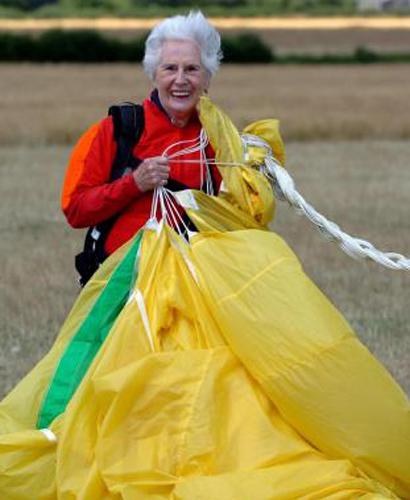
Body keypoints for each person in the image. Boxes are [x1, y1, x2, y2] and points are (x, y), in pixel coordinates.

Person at [0, 11, 409, 500]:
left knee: (211, 393)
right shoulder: (117, 131)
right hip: (127, 297)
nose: (181, 79)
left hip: (203, 296)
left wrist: (256, 175)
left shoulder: (221, 139)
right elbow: (76, 208)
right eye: (171, 68)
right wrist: (134, 183)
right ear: (153, 72)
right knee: (128, 396)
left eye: (192, 69)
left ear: (208, 75)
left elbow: (248, 218)